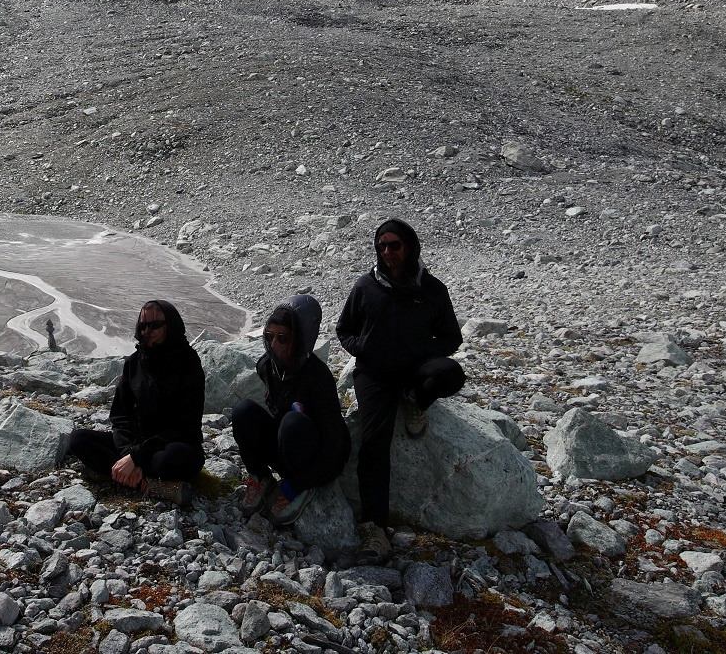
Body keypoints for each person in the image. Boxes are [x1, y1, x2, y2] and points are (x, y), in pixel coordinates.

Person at [334, 218, 464, 564]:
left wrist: (418, 351)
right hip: (374, 374)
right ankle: (376, 529)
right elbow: (343, 328)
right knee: (374, 443)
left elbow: (452, 338)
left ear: (411, 246)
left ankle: (415, 401)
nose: (387, 252)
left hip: (413, 369)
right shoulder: (366, 286)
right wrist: (361, 347)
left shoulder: (431, 289)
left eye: (394, 245)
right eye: (381, 246)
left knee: (451, 375)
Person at [60, 299, 205, 504]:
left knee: (170, 457)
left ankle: (112, 473)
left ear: (171, 325)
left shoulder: (188, 362)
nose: (148, 330)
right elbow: (120, 417)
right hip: (137, 442)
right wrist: (128, 453)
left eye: (155, 325)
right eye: (143, 325)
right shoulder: (134, 363)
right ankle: (146, 485)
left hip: (173, 444)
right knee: (78, 439)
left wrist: (137, 458)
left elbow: (185, 425)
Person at [230, 293, 350, 525]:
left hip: (312, 456)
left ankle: (300, 489)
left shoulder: (318, 378)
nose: (273, 345)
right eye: (269, 336)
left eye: (282, 339)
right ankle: (261, 477)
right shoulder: (267, 366)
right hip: (285, 444)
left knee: (293, 422)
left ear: (300, 339)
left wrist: (298, 483)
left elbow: (336, 448)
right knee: (243, 411)